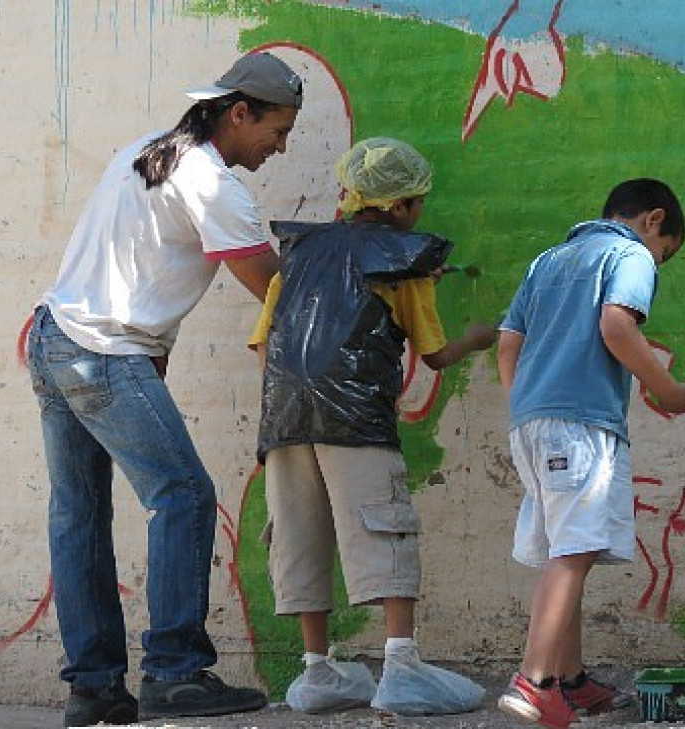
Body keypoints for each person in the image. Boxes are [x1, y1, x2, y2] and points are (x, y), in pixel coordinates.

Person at [26, 51, 302, 727]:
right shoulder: (212, 183)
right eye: (278, 128)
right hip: (103, 351)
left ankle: (93, 688)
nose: (281, 146)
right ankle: (176, 671)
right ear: (240, 112)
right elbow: (274, 291)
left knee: (79, 514)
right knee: (183, 494)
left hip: (56, 337)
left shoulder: (149, 150)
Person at [249, 137, 494, 716]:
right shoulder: (405, 260)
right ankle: (402, 666)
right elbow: (433, 354)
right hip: (356, 417)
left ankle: (317, 673)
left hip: (284, 415)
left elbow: (265, 343)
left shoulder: (300, 252)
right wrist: (482, 337)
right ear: (403, 205)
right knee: (382, 529)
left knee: (298, 534)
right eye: (420, 202)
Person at [495, 179, 685, 729]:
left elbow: (508, 343)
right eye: (666, 253)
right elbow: (616, 324)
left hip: (530, 422)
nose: (659, 263)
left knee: (566, 548)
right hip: (581, 422)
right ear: (654, 221)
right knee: (576, 553)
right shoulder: (629, 253)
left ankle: (571, 680)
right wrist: (667, 387)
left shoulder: (548, 259)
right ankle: (534, 681)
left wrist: (528, 405)